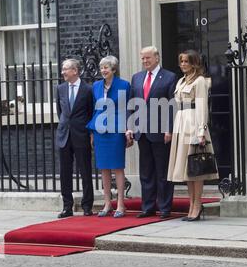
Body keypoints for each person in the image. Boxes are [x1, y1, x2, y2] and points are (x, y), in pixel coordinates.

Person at [167, 50, 219, 221]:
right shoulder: (181, 81)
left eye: (186, 62)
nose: (183, 64)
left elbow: (202, 107)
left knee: (196, 170)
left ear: (194, 63)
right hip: (181, 123)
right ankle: (191, 204)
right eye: (181, 61)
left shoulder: (200, 81)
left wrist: (201, 131)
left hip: (193, 123)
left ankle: (197, 205)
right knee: (186, 170)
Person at [126, 46, 177, 219]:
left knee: (162, 172)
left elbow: (172, 105)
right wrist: (129, 126)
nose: (145, 61)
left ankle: (164, 207)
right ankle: (148, 207)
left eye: (148, 58)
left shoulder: (169, 77)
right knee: (146, 172)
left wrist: (169, 128)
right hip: (142, 132)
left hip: (161, 132)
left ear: (157, 58)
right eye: (142, 58)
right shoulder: (137, 78)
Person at [87, 55, 131, 218]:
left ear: (113, 69)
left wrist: (128, 129)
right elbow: (94, 109)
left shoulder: (124, 85)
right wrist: (92, 132)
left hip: (117, 130)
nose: (103, 70)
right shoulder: (96, 86)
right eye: (102, 68)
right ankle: (107, 203)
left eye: (106, 67)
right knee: (103, 167)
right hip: (99, 130)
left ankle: (121, 203)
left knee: (117, 166)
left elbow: (128, 108)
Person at [56, 59, 94, 218]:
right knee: (65, 172)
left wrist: (89, 132)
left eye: (66, 69)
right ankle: (67, 206)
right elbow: (60, 111)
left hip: (81, 134)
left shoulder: (88, 89)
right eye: (63, 69)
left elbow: (91, 112)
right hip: (64, 134)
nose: (63, 72)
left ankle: (87, 206)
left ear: (75, 71)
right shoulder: (60, 88)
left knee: (85, 170)